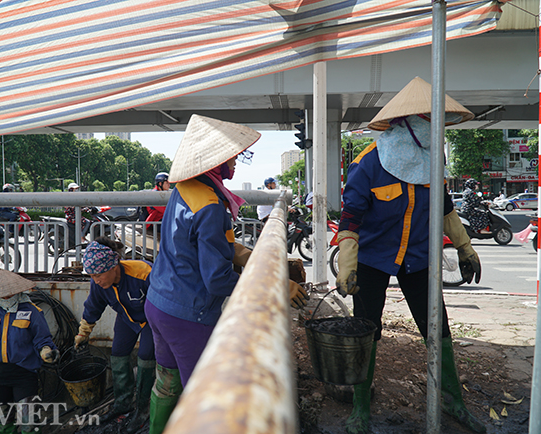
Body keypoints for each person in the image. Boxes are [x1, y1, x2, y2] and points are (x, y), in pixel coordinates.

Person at [336, 77, 484, 434]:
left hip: (418, 258)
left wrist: (465, 247)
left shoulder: (432, 163)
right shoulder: (367, 164)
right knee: (366, 330)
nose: (432, 127)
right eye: (425, 119)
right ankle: (360, 408)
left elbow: (446, 210)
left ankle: (452, 401)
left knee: (438, 329)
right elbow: (351, 218)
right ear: (406, 122)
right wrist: (347, 265)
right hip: (372, 260)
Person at [144, 114, 308, 434]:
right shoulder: (210, 203)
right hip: (188, 314)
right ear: (216, 160)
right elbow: (217, 278)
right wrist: (273, 283)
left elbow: (206, 245)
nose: (235, 160)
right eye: (231, 154)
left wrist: (250, 256)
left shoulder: (186, 189)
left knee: (165, 384)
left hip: (158, 303)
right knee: (203, 400)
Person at [74, 238, 155, 433]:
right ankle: (122, 404)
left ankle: (143, 410)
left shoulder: (143, 273)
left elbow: (164, 300)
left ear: (113, 267)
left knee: (145, 357)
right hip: (127, 318)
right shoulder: (99, 284)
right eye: (92, 276)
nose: (96, 280)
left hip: (153, 320)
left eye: (99, 275)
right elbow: (93, 307)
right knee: (118, 354)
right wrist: (83, 333)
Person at [0, 269, 59, 434]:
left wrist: (46, 352)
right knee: (4, 424)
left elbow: (42, 339)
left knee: (29, 422)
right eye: (1, 293)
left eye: (8, 292)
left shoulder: (32, 312)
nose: (5, 296)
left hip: (24, 373)